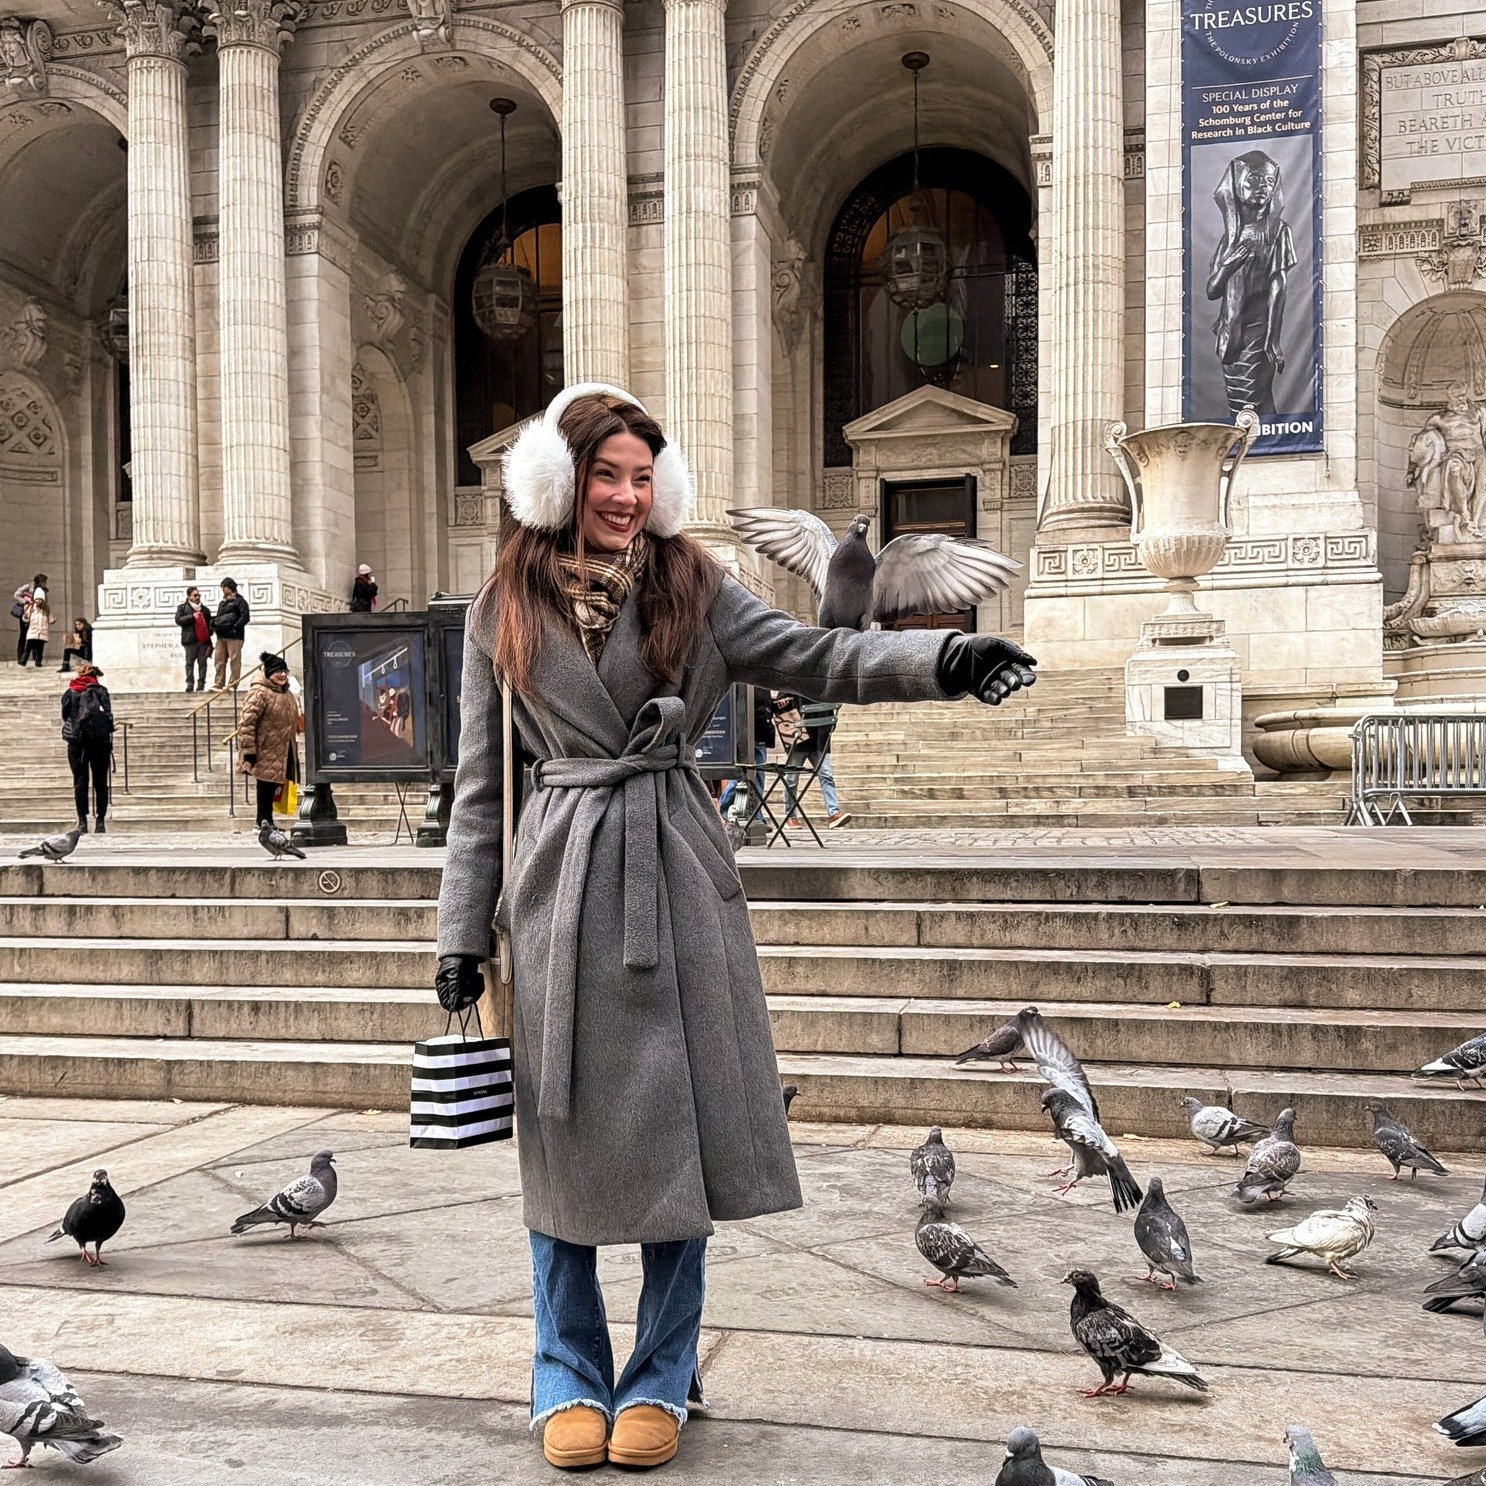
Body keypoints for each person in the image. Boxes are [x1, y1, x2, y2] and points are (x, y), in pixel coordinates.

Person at [432, 384, 1036, 1473]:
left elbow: (821, 658)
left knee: (676, 1145)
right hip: (559, 890)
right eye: (606, 474)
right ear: (562, 483)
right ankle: (563, 1373)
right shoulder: (499, 607)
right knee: (558, 1149)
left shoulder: (698, 587)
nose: (626, 494)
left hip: (673, 871)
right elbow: (481, 786)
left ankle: (660, 1376)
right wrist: (458, 937)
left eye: (640, 476)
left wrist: (942, 658)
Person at [236, 652, 300, 828]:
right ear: (268, 672)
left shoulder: (287, 693)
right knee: (264, 785)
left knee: (273, 785)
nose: (282, 675)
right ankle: (262, 821)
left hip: (283, 747)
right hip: (264, 748)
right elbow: (246, 723)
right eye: (278, 671)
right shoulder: (259, 692)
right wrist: (248, 751)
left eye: (284, 671)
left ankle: (267, 820)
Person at [772, 689, 850, 828]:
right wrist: (782, 702)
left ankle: (833, 813)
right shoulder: (793, 680)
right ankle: (790, 817)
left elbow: (830, 709)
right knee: (791, 779)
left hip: (819, 737)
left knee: (826, 774)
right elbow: (780, 705)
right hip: (799, 738)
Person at [60, 661, 114, 833]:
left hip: (77, 742)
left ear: (79, 675)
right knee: (100, 782)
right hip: (99, 742)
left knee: (80, 782)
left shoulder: (70, 691)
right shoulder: (101, 691)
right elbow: (108, 714)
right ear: (94, 675)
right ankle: (100, 821)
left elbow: (65, 715)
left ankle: (82, 821)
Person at [719, 687, 775, 825]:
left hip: (761, 731)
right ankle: (723, 810)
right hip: (745, 733)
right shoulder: (744, 683)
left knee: (759, 777)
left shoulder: (762, 683)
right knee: (741, 777)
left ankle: (756, 815)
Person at [174, 587, 214, 693]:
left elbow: (210, 625)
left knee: (202, 663)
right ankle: (190, 684)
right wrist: (192, 616)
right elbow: (178, 620)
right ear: (189, 596)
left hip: (203, 641)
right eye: (195, 595)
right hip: (190, 641)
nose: (197, 597)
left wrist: (209, 633)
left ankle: (201, 685)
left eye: (198, 595)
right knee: (189, 663)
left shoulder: (205, 610)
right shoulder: (182, 607)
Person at [213, 577, 250, 691]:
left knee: (234, 660)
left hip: (235, 636)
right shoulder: (222, 603)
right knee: (219, 660)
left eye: (224, 586)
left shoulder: (240, 601)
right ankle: (218, 683)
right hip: (221, 636)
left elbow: (245, 617)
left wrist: (235, 627)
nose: (222, 589)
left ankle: (233, 684)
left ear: (230, 587)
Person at [22, 578, 49, 667]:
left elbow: (49, 618)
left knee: (40, 647)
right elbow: (26, 617)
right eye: (37, 600)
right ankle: (23, 660)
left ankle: (38, 661)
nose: (38, 602)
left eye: (40, 600)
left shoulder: (45, 610)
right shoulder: (31, 607)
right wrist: (26, 616)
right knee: (28, 646)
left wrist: (50, 620)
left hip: (42, 630)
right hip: (33, 629)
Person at [11, 578, 34, 665]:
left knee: (33, 635)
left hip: (34, 614)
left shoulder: (41, 590)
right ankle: (20, 657)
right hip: (25, 613)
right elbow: (16, 595)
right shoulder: (28, 586)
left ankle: (33, 657)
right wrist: (26, 601)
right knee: (23, 634)